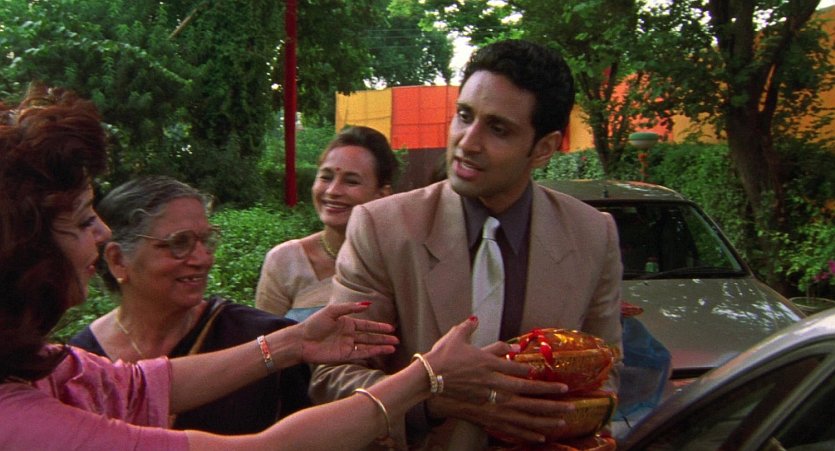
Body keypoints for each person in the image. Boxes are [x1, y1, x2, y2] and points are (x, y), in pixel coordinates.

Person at [0, 85, 563, 450]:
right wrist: (426, 377)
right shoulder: (22, 422)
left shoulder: (46, 366)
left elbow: (140, 384)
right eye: (83, 221)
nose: (102, 234)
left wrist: (292, 343)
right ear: (26, 253)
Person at [310, 39, 624, 449]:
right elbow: (332, 378)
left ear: (544, 148)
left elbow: (606, 375)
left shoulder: (592, 235)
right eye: (464, 116)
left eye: (498, 129)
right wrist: (431, 401)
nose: (467, 142)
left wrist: (557, 417)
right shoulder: (382, 228)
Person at [69, 175, 311, 434]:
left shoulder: (265, 340)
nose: (203, 258)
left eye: (206, 240)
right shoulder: (80, 366)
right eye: (179, 243)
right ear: (118, 260)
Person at [256, 126, 398, 322]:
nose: (332, 191)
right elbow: (264, 339)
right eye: (326, 177)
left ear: (382, 194)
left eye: (351, 181)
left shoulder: (401, 261)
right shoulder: (285, 261)